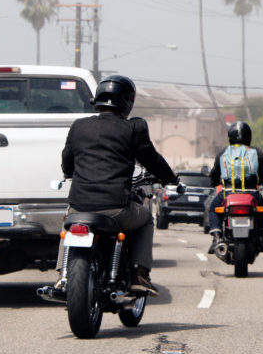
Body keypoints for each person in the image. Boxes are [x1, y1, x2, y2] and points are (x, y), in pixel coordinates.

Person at [60, 74, 179, 295]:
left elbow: (67, 161)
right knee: (145, 219)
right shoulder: (132, 129)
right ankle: (139, 274)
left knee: (69, 222)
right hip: (115, 206)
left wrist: (69, 173)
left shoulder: (79, 126)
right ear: (127, 101)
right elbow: (151, 159)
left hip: (80, 204)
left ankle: (62, 274)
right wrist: (171, 178)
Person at [207, 121, 263, 252]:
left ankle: (217, 237)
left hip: (227, 193)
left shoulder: (223, 153)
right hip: (252, 193)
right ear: (249, 136)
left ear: (230, 136)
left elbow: (214, 173)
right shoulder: (257, 153)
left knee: (213, 208)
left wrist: (214, 182)